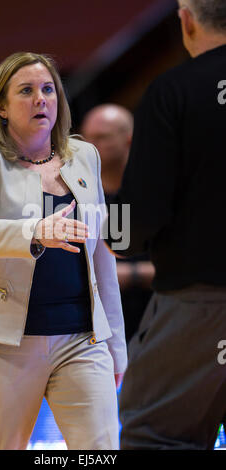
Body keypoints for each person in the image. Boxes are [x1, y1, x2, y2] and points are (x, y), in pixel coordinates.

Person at [0, 52, 127, 450]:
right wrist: (38, 229)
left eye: (48, 89)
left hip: (82, 339)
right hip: (2, 345)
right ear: (1, 106)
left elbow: (102, 257)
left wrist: (116, 346)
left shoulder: (84, 156)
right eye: (26, 90)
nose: (41, 98)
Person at [104, 0, 226, 450]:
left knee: (155, 435)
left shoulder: (172, 90)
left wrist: (111, 233)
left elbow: (136, 215)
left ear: (187, 20)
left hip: (202, 305)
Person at [81, 104, 155, 344]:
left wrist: (131, 275)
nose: (91, 146)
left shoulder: (155, 194)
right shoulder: (78, 198)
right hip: (97, 330)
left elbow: (186, 269)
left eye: (101, 137)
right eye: (86, 138)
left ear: (129, 140)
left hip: (155, 320)